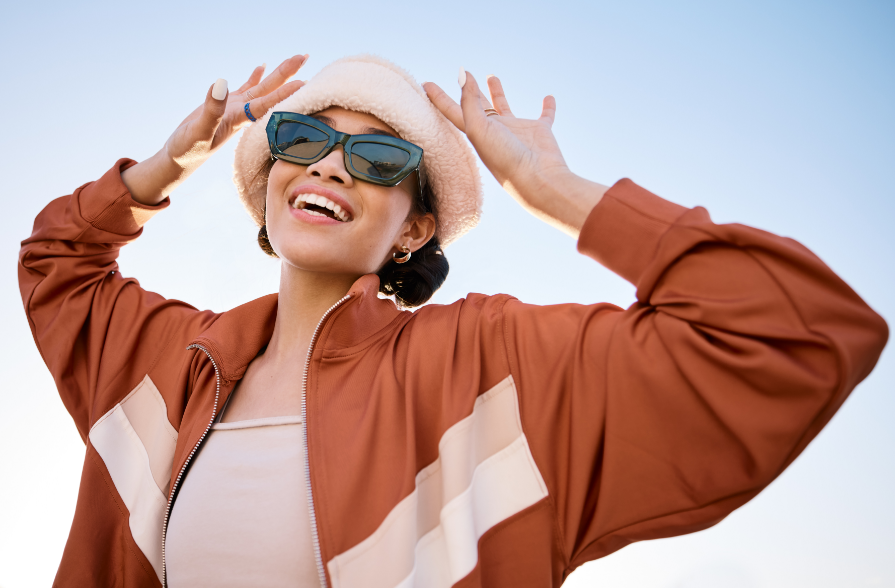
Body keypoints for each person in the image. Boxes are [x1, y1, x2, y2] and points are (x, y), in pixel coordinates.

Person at [18, 53, 888, 588]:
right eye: (303, 138)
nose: (332, 165)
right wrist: (174, 158)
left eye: (378, 155)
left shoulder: (488, 363)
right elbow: (55, 261)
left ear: (416, 228)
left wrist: (552, 192)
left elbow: (798, 327)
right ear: (271, 174)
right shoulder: (169, 360)